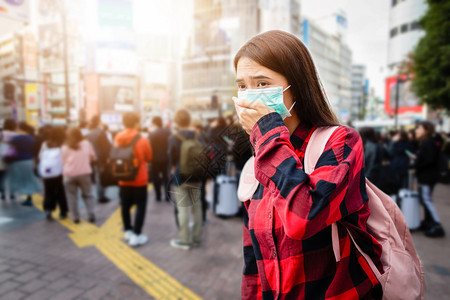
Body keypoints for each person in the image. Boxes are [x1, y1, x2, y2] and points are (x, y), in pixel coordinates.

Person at [233, 31, 382, 299]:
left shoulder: (340, 142)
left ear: (297, 86)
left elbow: (303, 218)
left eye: (262, 83)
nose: (249, 96)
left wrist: (267, 132)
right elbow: (253, 265)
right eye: (242, 86)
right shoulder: (255, 166)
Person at [115, 112, 152, 247]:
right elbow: (149, 157)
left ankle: (128, 231)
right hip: (139, 178)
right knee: (141, 206)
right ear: (136, 123)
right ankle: (137, 234)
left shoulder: (118, 137)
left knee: (124, 205)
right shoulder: (142, 139)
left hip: (123, 177)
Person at [168, 109, 203, 250]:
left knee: (183, 209)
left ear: (176, 121)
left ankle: (184, 240)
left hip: (180, 176)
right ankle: (197, 238)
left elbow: (171, 157)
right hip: (196, 174)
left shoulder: (173, 137)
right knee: (197, 208)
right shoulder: (197, 135)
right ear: (189, 120)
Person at [414, 121, 445, 237]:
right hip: (428, 176)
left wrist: (416, 164)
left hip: (427, 177)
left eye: (419, 128)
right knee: (425, 199)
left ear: (426, 130)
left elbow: (428, 160)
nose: (417, 130)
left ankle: (437, 225)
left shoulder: (427, 143)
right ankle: (428, 222)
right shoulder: (428, 142)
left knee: (426, 200)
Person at [61, 127, 96, 224]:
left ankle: (75, 217)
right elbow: (93, 157)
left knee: (71, 196)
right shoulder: (86, 144)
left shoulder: (65, 146)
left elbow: (63, 161)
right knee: (88, 194)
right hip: (84, 173)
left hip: (69, 174)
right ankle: (91, 214)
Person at [8, 122, 41, 206]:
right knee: (29, 179)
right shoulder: (32, 139)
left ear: (20, 129)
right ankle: (29, 197)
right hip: (29, 161)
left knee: (20, 179)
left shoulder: (16, 139)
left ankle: (16, 193)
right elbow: (35, 152)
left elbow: (11, 150)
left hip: (17, 161)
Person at [39, 126, 68, 220]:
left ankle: (48, 209)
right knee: (61, 191)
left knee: (48, 191)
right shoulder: (64, 144)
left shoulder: (45, 143)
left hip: (48, 171)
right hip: (60, 171)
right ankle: (63, 212)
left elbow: (40, 156)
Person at [87, 115, 112, 204]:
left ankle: (100, 195)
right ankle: (101, 196)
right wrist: (107, 157)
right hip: (101, 158)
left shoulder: (89, 133)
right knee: (102, 177)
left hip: (93, 158)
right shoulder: (101, 132)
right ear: (98, 122)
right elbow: (106, 147)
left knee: (98, 177)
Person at [148, 116, 170, 202]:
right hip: (166, 158)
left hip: (155, 159)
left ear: (154, 123)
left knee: (155, 178)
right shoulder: (168, 132)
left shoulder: (152, 133)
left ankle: (158, 196)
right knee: (166, 177)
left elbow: (150, 147)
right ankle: (167, 196)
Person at [0, 119, 18, 201]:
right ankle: (12, 194)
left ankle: (3, 193)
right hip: (13, 156)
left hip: (2, 156)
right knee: (13, 176)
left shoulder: (1, 133)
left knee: (1, 176)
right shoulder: (16, 134)